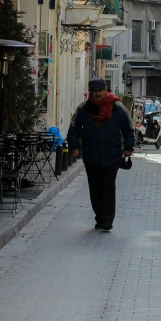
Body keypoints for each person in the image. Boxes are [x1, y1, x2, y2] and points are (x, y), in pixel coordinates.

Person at [67, 78, 135, 232]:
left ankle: (108, 220)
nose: (97, 94)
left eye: (100, 91)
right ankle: (99, 217)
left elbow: (128, 127)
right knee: (95, 187)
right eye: (94, 91)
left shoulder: (117, 107)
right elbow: (74, 128)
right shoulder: (84, 109)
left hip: (112, 155)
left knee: (108, 187)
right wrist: (74, 146)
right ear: (91, 92)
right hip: (91, 155)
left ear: (106, 90)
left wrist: (129, 146)